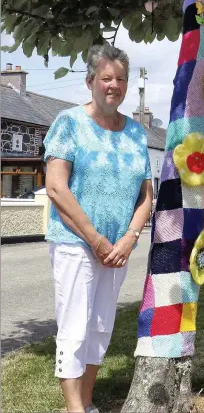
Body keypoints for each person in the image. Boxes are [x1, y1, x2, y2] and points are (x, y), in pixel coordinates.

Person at [44, 44, 153, 413]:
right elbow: (56, 187)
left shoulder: (137, 133)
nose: (114, 85)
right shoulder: (69, 122)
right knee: (74, 328)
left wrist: (127, 239)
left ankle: (86, 404)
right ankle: (74, 409)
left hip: (117, 251)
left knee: (101, 327)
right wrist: (96, 239)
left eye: (120, 79)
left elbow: (146, 196)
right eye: (106, 77)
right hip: (76, 244)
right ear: (91, 81)